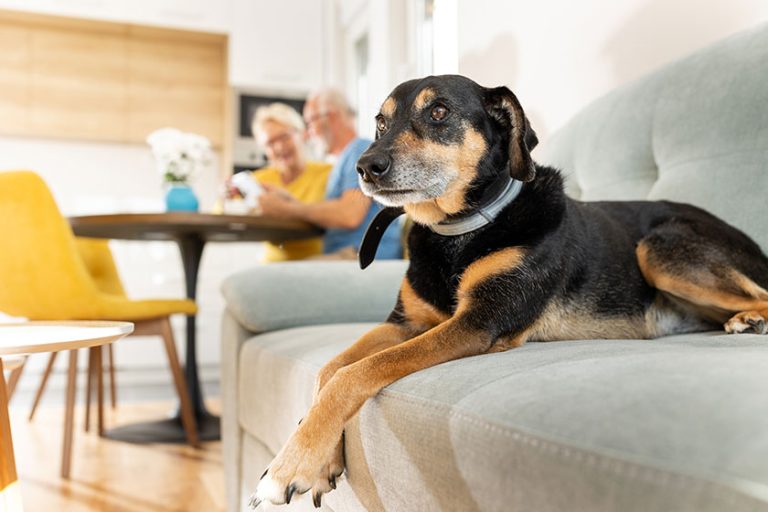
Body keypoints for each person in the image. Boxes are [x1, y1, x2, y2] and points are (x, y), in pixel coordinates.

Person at [256, 88, 402, 260]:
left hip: (359, 255)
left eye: (310, 122)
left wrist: (287, 209)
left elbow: (349, 215)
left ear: (330, 117)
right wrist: (290, 202)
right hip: (349, 254)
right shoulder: (346, 157)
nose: (308, 133)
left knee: (278, 274)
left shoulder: (360, 151)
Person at [248, 102, 332, 262]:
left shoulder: (328, 173)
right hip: (271, 264)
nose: (279, 147)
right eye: (270, 143)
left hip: (317, 263)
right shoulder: (259, 180)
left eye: (284, 137)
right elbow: (221, 211)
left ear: (302, 134)